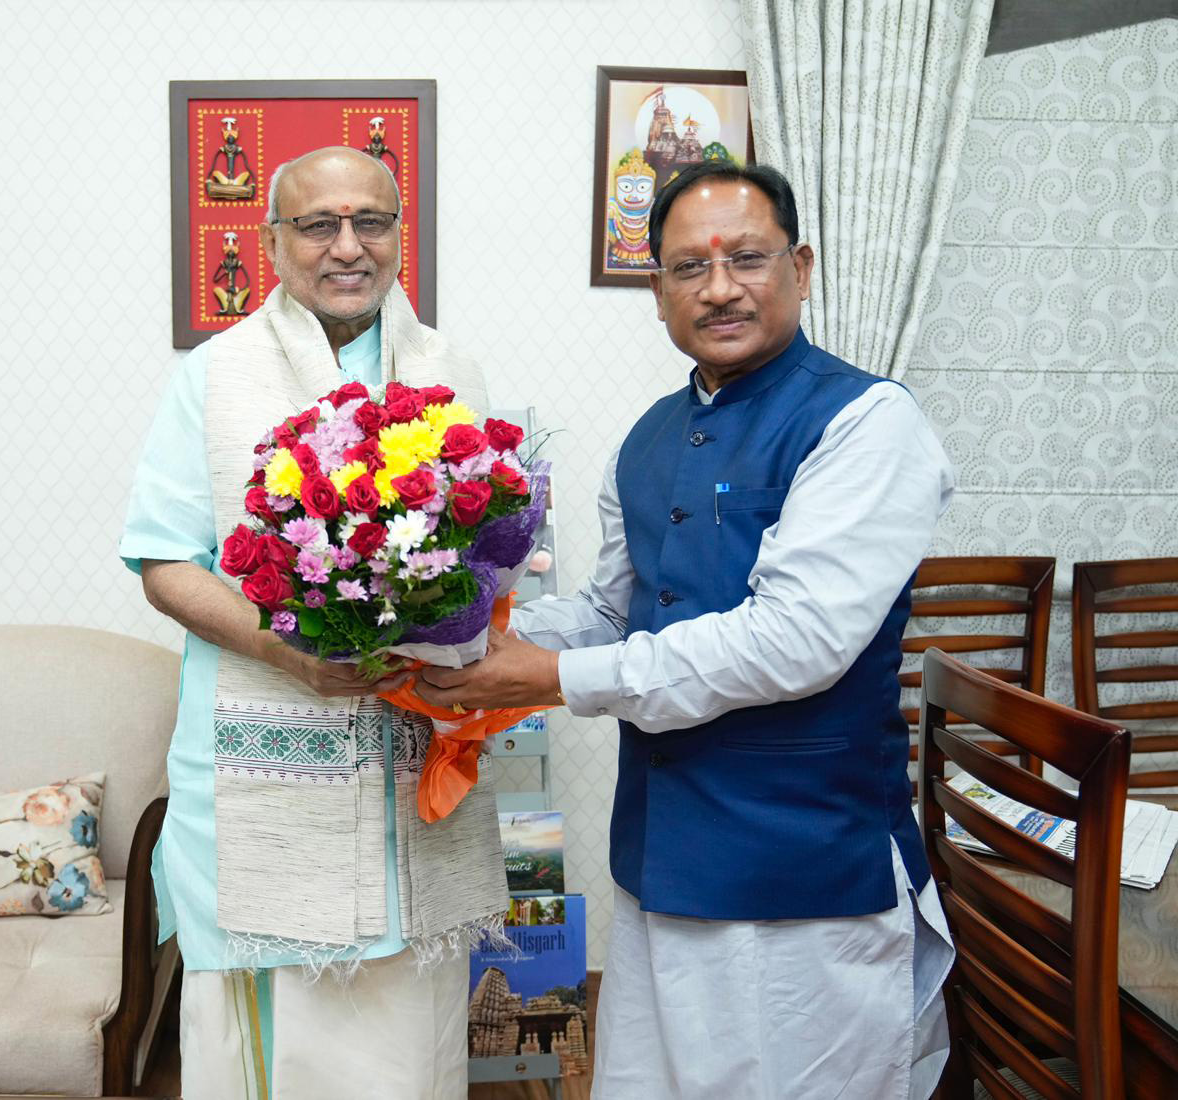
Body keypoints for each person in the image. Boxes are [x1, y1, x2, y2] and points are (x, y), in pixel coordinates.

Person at [417, 162, 957, 1099]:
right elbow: (608, 609)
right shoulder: (649, 436)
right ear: (656, 290)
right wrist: (444, 633)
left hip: (803, 874)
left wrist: (550, 678)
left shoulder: (867, 421)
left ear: (802, 266)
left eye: (746, 258)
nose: (718, 288)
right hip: (661, 861)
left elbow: (796, 640)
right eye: (686, 268)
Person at [120, 146, 507, 1100]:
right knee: (266, 1048)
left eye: (370, 222)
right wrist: (285, 654)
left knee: (404, 1044)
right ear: (272, 244)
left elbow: (493, 551)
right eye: (318, 225)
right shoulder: (214, 377)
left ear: (399, 235)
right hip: (260, 775)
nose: (348, 247)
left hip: (413, 751)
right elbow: (164, 562)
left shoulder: (451, 372)